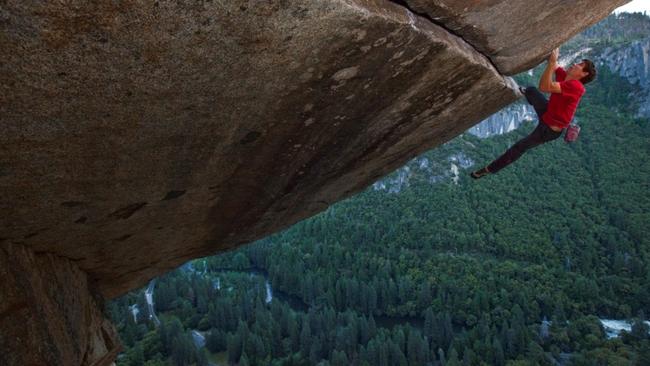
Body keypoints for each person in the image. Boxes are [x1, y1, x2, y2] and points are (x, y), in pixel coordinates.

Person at [470, 48, 596, 179]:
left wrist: (551, 64)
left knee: (519, 147)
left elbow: (545, 86)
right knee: (531, 90)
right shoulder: (565, 77)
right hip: (548, 112)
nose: (576, 64)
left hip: (549, 130)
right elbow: (554, 63)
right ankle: (525, 92)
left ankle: (487, 170)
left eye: (580, 65)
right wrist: (553, 52)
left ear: (584, 74)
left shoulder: (577, 87)